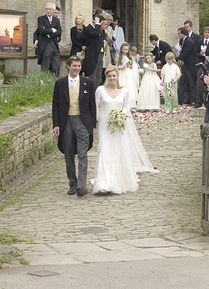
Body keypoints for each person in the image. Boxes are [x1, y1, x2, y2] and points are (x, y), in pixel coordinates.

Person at [92, 65, 158, 195]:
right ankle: (104, 182)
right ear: (106, 77)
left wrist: (121, 117)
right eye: (109, 76)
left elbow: (126, 108)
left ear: (117, 77)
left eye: (114, 76)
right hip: (105, 127)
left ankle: (118, 180)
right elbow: (96, 108)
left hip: (119, 126)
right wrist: (96, 122)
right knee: (105, 150)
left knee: (118, 150)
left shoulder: (124, 91)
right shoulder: (100, 90)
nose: (112, 78)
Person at [52, 56, 96, 196]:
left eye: (79, 66)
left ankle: (81, 186)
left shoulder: (87, 83)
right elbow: (56, 105)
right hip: (67, 121)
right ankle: (73, 182)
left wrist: (92, 125)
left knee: (83, 154)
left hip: (82, 121)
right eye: (74, 66)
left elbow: (92, 105)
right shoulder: (60, 83)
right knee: (69, 153)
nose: (77, 68)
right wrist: (56, 124)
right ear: (68, 67)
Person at [36, 2, 62, 76]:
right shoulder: (41, 19)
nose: (48, 11)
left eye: (50, 9)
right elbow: (41, 30)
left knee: (56, 66)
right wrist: (52, 30)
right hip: (45, 46)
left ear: (53, 10)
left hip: (54, 45)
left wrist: (49, 35)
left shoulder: (56, 20)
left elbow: (59, 32)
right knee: (45, 67)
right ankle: (44, 84)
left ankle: (56, 82)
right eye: (47, 9)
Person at [83, 15, 107, 89]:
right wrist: (97, 23)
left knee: (98, 75)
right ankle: (91, 91)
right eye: (100, 22)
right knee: (93, 74)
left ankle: (96, 91)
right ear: (94, 21)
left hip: (100, 53)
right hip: (92, 55)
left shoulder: (99, 29)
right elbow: (95, 34)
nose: (101, 25)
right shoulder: (88, 28)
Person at [176, 27, 197, 106]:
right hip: (185, 64)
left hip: (191, 65)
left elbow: (185, 53)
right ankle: (183, 100)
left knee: (191, 83)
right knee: (183, 82)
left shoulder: (189, 41)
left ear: (182, 33)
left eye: (179, 34)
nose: (178, 35)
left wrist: (176, 58)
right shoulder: (182, 41)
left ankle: (193, 100)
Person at [195, 26, 209, 108]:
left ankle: (208, 102)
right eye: (205, 32)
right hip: (201, 64)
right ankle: (198, 102)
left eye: (208, 32)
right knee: (199, 83)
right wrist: (200, 54)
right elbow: (196, 52)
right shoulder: (199, 41)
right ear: (203, 33)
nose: (206, 34)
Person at [118, 42, 138, 108]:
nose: (125, 51)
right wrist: (124, 65)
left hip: (128, 73)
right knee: (123, 85)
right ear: (121, 49)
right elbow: (118, 66)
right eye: (124, 49)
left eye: (127, 49)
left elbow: (131, 66)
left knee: (129, 87)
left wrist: (130, 65)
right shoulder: (119, 57)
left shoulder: (129, 57)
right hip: (122, 73)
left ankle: (130, 103)